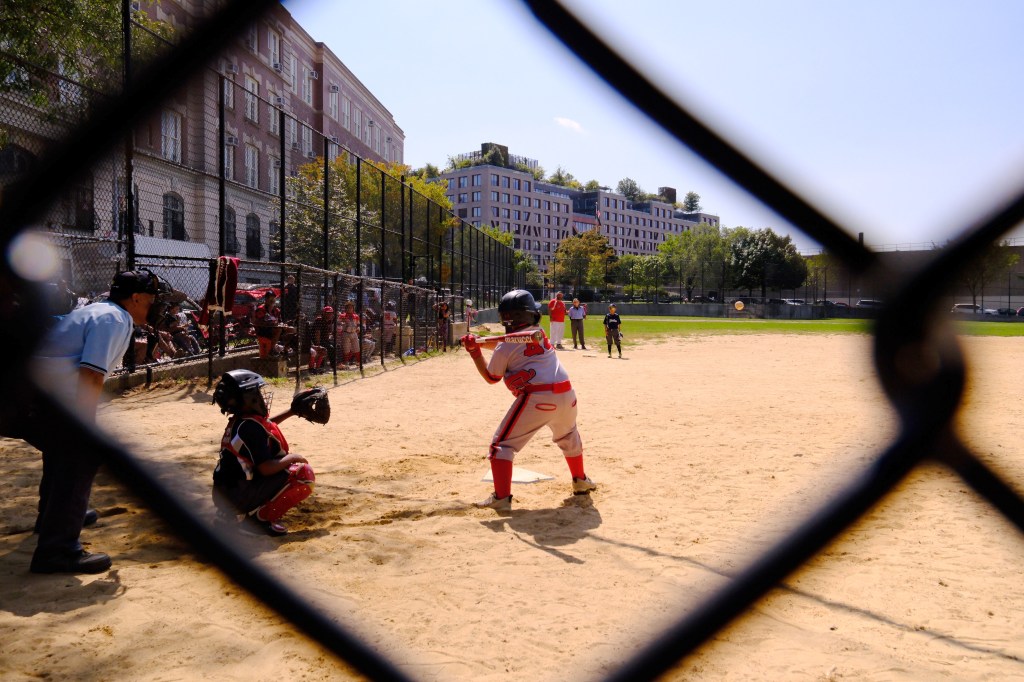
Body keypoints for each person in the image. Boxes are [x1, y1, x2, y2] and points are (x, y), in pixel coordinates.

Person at [25, 269, 162, 573]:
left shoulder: (99, 310)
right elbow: (90, 375)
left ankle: (52, 518)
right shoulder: (114, 319)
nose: (152, 306)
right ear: (136, 298)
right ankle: (57, 550)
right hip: (34, 395)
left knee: (61, 448)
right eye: (150, 300)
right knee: (80, 453)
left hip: (31, 391)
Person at [460, 289, 596, 512]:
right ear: (531, 315)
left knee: (501, 446)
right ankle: (580, 480)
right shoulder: (539, 333)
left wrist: (475, 352)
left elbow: (492, 377)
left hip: (538, 397)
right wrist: (480, 343)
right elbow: (511, 344)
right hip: (566, 395)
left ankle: (501, 498)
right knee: (569, 436)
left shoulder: (505, 346)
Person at [211, 370, 315, 536]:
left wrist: (291, 412)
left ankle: (227, 515)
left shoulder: (241, 422)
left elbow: (265, 427)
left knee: (280, 465)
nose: (260, 396)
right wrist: (292, 458)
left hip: (226, 496)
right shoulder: (250, 428)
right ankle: (258, 521)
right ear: (245, 399)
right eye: (256, 392)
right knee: (303, 473)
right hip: (238, 496)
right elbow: (265, 469)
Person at [253, 291, 284, 358]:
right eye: (270, 299)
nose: (272, 300)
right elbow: (259, 322)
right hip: (263, 330)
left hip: (273, 330)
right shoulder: (261, 309)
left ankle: (285, 349)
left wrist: (281, 324)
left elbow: (280, 321)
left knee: (289, 330)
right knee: (279, 329)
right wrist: (272, 323)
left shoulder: (276, 310)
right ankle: (271, 349)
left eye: (274, 298)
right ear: (266, 300)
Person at [309, 305, 335, 373]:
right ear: (324, 313)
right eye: (328, 313)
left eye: (331, 313)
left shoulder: (328, 321)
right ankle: (333, 366)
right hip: (318, 340)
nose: (330, 314)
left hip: (325, 340)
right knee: (330, 347)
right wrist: (317, 344)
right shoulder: (319, 320)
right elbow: (317, 333)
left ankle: (327, 365)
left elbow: (328, 332)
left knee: (334, 345)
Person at [336, 299, 360, 365]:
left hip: (354, 333)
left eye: (351, 307)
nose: (350, 309)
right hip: (345, 333)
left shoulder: (356, 316)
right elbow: (338, 324)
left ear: (353, 308)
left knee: (356, 348)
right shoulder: (342, 315)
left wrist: (358, 328)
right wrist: (342, 322)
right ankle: (346, 362)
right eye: (348, 307)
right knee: (346, 349)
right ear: (346, 309)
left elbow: (358, 324)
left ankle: (358, 362)